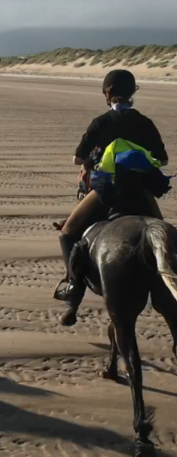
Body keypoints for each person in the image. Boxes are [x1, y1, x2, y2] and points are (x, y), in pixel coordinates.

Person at [54, 69, 170, 307]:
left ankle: (74, 287)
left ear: (108, 94)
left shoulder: (101, 122)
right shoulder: (144, 122)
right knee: (165, 234)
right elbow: (163, 159)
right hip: (141, 191)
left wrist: (92, 159)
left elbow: (77, 158)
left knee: (67, 231)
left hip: (107, 189)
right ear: (131, 93)